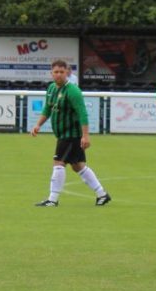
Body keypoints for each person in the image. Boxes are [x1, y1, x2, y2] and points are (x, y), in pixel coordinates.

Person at [31, 59, 111, 207]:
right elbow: (47, 109)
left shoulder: (73, 91)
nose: (59, 75)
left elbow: (83, 114)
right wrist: (38, 125)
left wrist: (85, 136)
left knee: (58, 163)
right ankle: (102, 194)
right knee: (77, 166)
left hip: (71, 134)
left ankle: (52, 199)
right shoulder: (51, 89)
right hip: (63, 134)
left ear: (67, 73)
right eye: (56, 72)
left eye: (62, 72)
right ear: (51, 73)